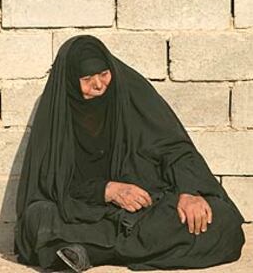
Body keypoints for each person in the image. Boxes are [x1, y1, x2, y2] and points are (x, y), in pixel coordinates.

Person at [13, 35, 245, 272]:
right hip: (83, 208)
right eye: (86, 78)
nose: (99, 84)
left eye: (103, 74)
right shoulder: (57, 111)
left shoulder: (131, 91)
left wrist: (189, 191)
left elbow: (174, 149)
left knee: (221, 220)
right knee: (38, 218)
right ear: (71, 81)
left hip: (145, 208)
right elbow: (50, 182)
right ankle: (134, 246)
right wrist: (107, 190)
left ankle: (89, 251)